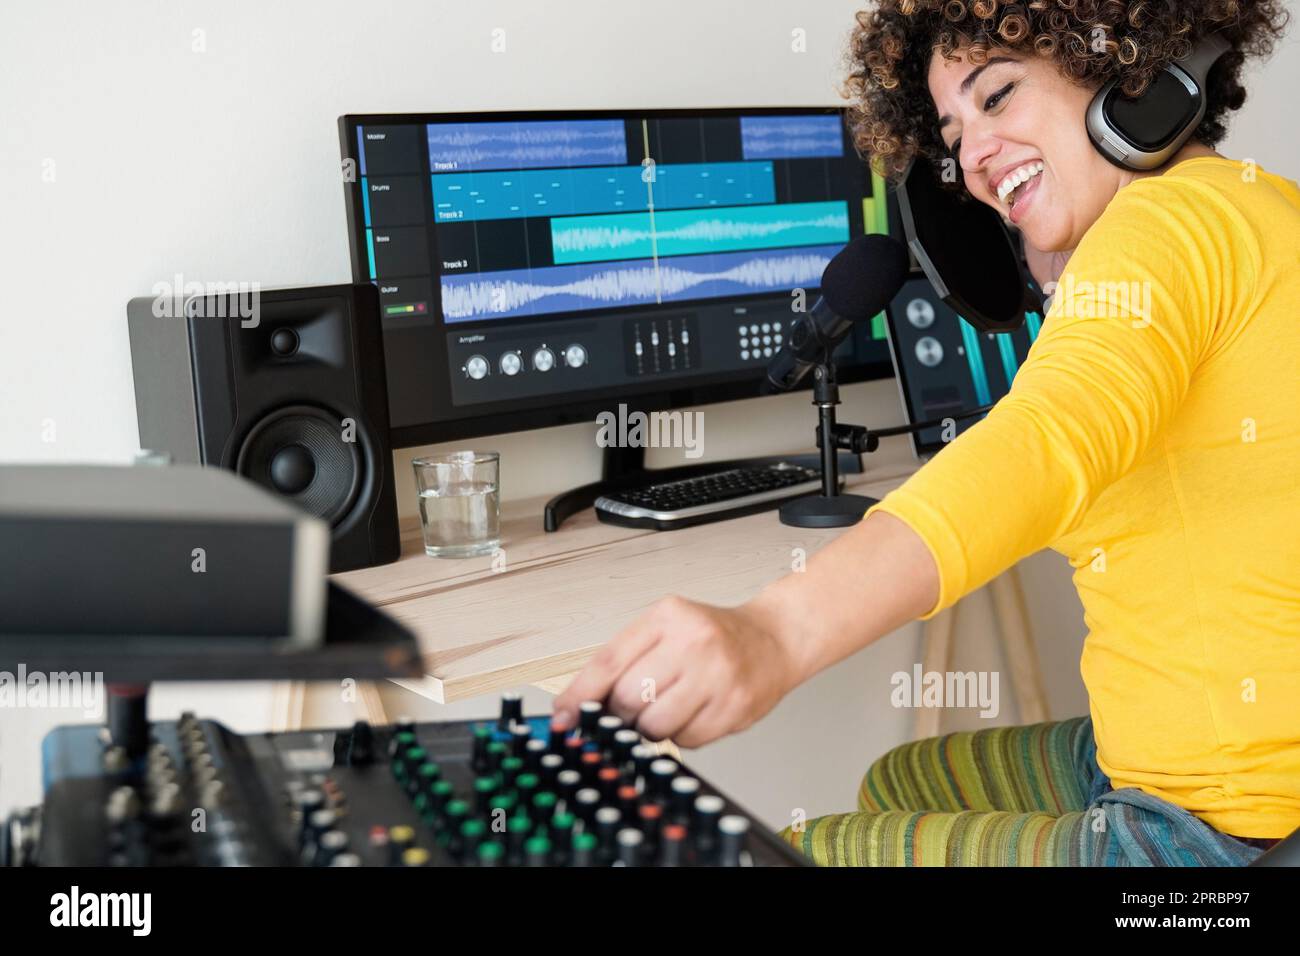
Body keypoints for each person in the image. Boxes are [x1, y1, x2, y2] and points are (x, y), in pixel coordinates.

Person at [554, 0, 1299, 865]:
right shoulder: (1250, 208)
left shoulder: (1160, 231)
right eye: (952, 136)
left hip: (1224, 827)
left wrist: (774, 632)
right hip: (1231, 756)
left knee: (803, 852)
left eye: (998, 97)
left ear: (1125, 71)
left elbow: (1046, 441)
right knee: (905, 784)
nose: (975, 159)